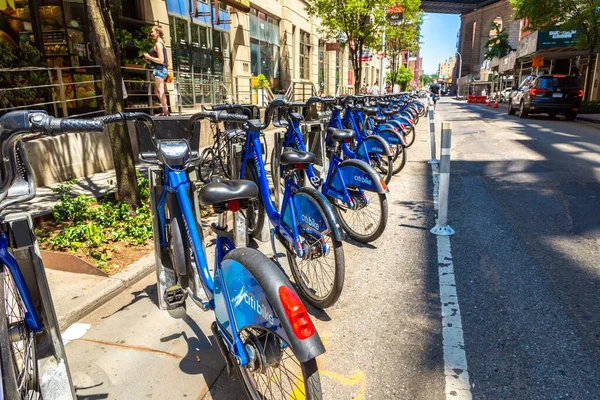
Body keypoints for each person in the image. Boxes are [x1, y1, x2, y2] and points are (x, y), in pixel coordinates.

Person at [143, 25, 170, 116]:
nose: (151, 34)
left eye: (152, 32)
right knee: (157, 91)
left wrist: (149, 57)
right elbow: (159, 60)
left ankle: (165, 112)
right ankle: (165, 110)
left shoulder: (158, 44)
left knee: (160, 90)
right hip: (159, 69)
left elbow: (161, 60)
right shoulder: (161, 43)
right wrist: (149, 60)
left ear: (157, 32)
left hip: (160, 70)